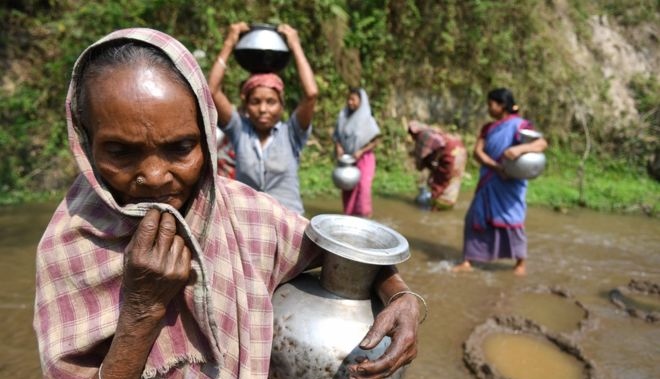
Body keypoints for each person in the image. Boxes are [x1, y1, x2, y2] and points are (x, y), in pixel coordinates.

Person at [33, 28, 422, 379]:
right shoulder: (71, 245)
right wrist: (142, 310)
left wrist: (402, 296)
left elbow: (341, 254)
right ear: (86, 143)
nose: (153, 176)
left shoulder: (246, 214)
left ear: (205, 136)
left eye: (181, 148)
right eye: (119, 151)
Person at [208, 22, 316, 215]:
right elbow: (212, 91)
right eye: (256, 102)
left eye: (271, 102)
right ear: (246, 106)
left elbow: (311, 93)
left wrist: (295, 45)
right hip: (248, 222)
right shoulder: (240, 130)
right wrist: (230, 42)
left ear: (282, 105)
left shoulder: (291, 133)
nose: (263, 109)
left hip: (289, 224)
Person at [453, 88, 547, 276]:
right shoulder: (488, 127)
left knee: (511, 220)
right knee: (474, 218)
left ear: (501, 105)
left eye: (491, 104)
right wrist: (496, 167)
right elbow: (478, 152)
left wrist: (519, 150)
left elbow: (541, 143)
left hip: (511, 183)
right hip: (491, 178)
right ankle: (468, 260)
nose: (488, 108)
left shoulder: (520, 124)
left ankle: (520, 263)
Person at [333, 88, 380, 217]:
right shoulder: (343, 117)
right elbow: (337, 136)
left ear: (361, 101)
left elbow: (376, 141)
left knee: (363, 188)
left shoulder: (367, 119)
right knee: (348, 188)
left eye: (353, 99)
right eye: (348, 99)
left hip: (364, 159)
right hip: (348, 160)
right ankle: (349, 217)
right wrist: (338, 146)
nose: (350, 102)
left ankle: (364, 218)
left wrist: (361, 151)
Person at [407, 120, 467, 210]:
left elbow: (421, 161)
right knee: (453, 179)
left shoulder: (422, 136)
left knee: (440, 181)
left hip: (450, 153)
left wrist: (425, 166)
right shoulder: (434, 131)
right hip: (460, 151)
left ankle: (436, 208)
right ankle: (448, 203)